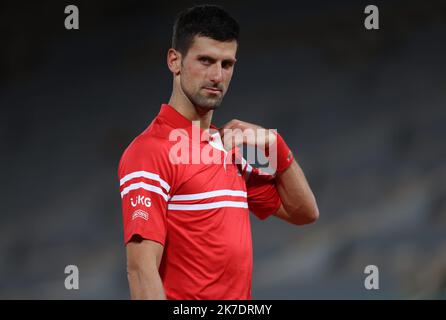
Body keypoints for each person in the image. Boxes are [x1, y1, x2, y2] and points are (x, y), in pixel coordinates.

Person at [118, 4, 319, 300]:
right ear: (174, 61)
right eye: (205, 60)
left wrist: (276, 145)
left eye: (227, 64)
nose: (217, 76)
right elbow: (141, 270)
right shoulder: (149, 152)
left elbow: (303, 212)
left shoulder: (226, 149)